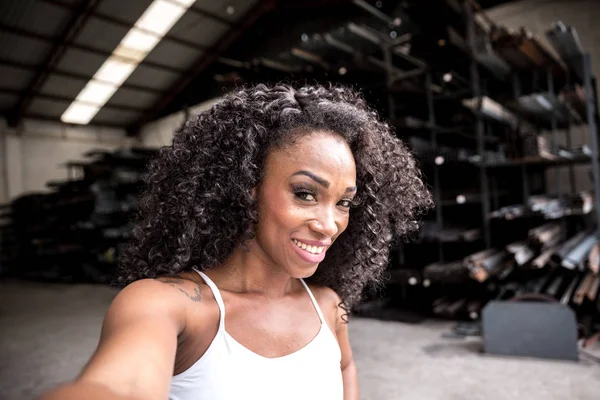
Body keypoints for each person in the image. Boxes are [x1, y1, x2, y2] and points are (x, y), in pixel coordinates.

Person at [40, 84, 432, 400]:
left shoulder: (328, 307)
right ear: (246, 188)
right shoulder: (171, 307)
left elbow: (345, 367)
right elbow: (119, 386)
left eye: (344, 202)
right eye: (306, 194)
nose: (329, 224)